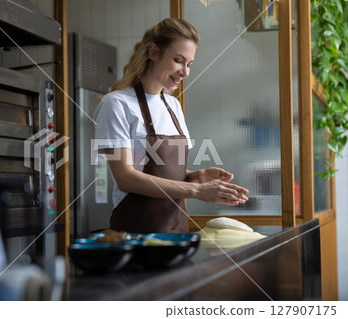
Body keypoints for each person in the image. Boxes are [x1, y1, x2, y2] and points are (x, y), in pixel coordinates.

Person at [93, 18, 248, 234]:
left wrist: (196, 176)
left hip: (176, 234)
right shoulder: (116, 104)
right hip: (134, 236)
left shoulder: (173, 106)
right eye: (178, 60)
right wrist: (197, 190)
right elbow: (126, 178)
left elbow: (166, 172)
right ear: (153, 52)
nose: (185, 72)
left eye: (189, 65)